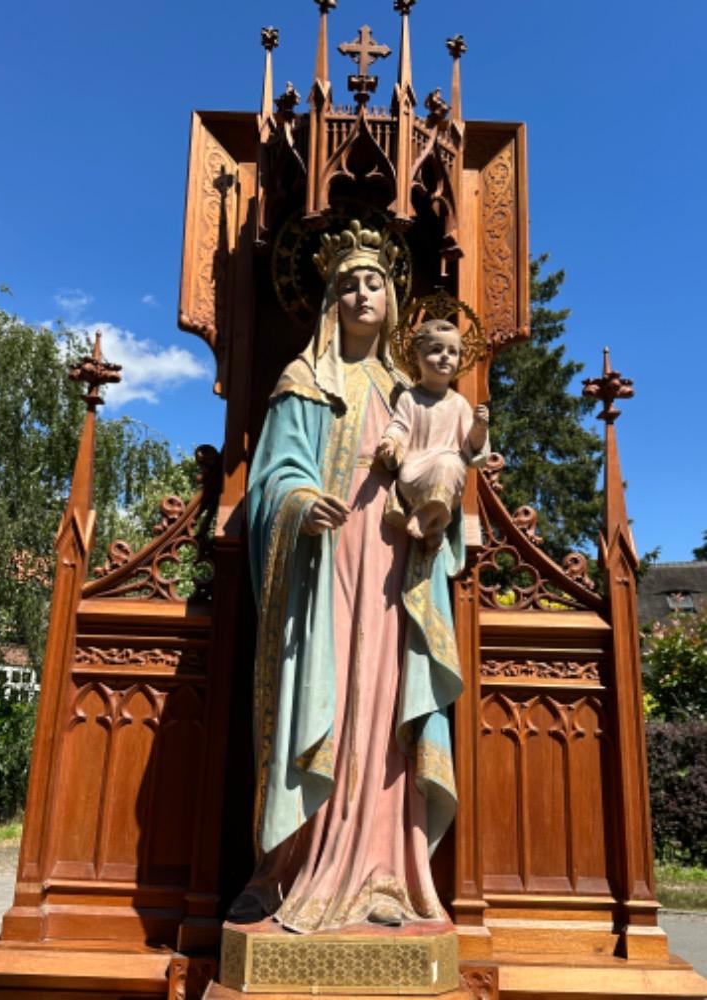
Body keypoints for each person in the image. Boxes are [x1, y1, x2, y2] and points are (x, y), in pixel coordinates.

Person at [231, 221, 480, 934]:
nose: (361, 293)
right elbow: (272, 478)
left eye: (374, 282)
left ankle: (385, 874)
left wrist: (443, 498)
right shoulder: (305, 381)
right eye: (348, 284)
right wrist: (302, 503)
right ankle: (296, 870)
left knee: (385, 706)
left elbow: (448, 466)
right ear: (329, 301)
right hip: (328, 566)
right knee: (331, 701)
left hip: (398, 570)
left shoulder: (414, 389)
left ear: (394, 299)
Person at [376, 319, 489, 552]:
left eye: (453, 351)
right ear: (418, 356)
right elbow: (400, 426)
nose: (445, 356)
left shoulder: (459, 404)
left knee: (449, 463)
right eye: (436, 350)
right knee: (444, 465)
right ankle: (434, 525)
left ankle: (429, 520)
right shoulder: (409, 398)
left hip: (448, 475)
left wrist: (479, 427)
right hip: (416, 472)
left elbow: (472, 447)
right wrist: (390, 442)